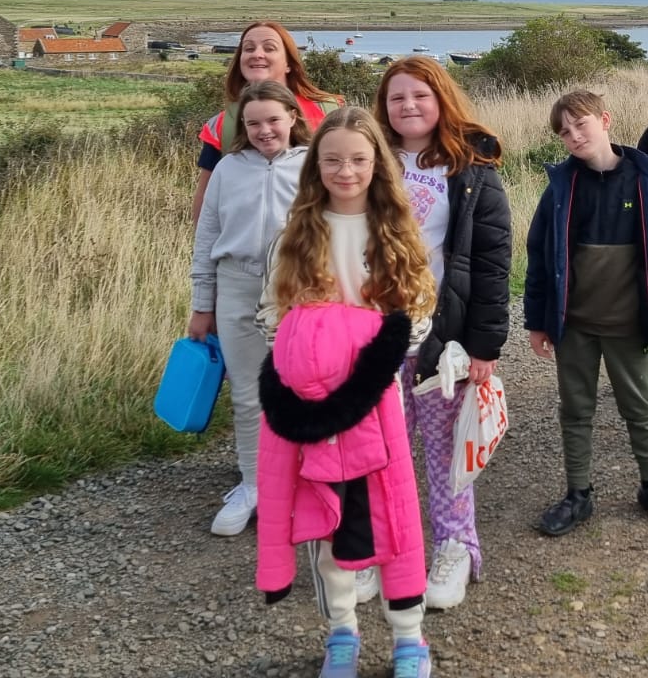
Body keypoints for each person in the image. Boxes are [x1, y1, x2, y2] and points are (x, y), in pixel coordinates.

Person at [256, 107, 439, 678]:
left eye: (358, 159)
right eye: (332, 159)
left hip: (374, 400)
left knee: (391, 517)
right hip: (312, 402)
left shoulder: (395, 231)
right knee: (327, 520)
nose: (345, 170)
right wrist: (307, 352)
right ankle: (343, 632)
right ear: (316, 165)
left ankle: (409, 639)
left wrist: (364, 350)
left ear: (376, 165)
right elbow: (272, 311)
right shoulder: (297, 233)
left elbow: (418, 313)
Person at [371, 56, 511, 611]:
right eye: (396, 97)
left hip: (441, 336)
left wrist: (484, 346)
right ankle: (386, 549)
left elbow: (494, 261)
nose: (408, 106)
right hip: (375, 333)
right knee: (381, 449)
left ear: (441, 100)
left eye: (420, 96)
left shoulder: (472, 167)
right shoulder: (369, 160)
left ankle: (456, 547)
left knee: (445, 448)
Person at [524, 90, 648, 537]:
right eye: (564, 131)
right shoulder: (561, 187)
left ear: (605, 119)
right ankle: (578, 494)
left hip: (630, 325)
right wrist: (537, 322)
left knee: (640, 409)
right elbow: (540, 255)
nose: (574, 135)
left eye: (580, 124)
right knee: (575, 410)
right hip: (574, 326)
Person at [188, 81, 310, 536]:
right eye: (253, 123)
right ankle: (253, 483)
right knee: (247, 393)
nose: (264, 130)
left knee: (298, 389)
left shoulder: (312, 167)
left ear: (293, 118)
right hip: (235, 286)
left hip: (297, 289)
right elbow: (206, 240)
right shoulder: (227, 169)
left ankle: (300, 482)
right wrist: (203, 305)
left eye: (273, 120)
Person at [192, 22, 340, 222]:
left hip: (314, 245)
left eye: (269, 48)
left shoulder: (328, 114)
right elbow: (206, 203)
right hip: (244, 250)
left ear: (289, 63)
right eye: (248, 48)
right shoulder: (221, 125)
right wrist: (204, 251)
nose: (257, 54)